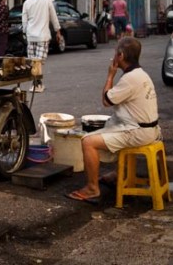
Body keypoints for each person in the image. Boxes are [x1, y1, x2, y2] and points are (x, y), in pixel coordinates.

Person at [66, 37, 160, 204]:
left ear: (121, 55)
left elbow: (106, 100)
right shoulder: (140, 74)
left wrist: (110, 74)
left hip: (138, 132)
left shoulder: (130, 79)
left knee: (88, 141)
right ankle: (118, 175)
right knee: (109, 127)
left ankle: (92, 188)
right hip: (146, 129)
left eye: (115, 52)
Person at [21, 0, 61, 93]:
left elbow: (24, 21)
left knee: (34, 62)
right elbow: (54, 17)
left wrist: (25, 32)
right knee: (38, 62)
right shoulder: (47, 0)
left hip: (31, 36)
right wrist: (58, 32)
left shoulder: (27, 2)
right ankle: (37, 84)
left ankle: (36, 83)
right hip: (42, 36)